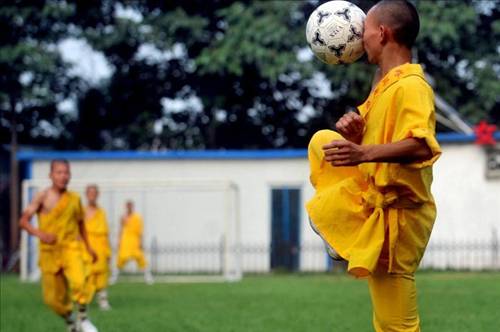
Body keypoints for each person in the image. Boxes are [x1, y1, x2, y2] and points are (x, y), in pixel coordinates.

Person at [306, 1, 442, 331]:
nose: (359, 37)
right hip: (377, 201)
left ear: (382, 33)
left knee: (396, 325)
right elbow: (376, 144)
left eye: (363, 30)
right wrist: (358, 136)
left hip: (400, 217)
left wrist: (363, 154)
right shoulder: (384, 86)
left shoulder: (411, 86)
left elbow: (420, 145)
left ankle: (344, 233)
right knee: (324, 142)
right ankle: (343, 232)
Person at [19, 160, 99, 332]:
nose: (63, 176)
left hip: (70, 247)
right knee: (53, 300)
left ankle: (83, 317)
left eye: (66, 173)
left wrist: (89, 247)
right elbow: (23, 221)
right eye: (59, 172)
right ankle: (70, 319)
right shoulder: (42, 196)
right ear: (51, 175)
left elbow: (81, 224)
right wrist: (40, 234)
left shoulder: (74, 199)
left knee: (79, 281)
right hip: (49, 251)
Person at [83, 184, 112, 310]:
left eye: (94, 193)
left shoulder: (101, 212)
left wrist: (108, 252)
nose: (92, 196)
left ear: (97, 195)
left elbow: (105, 233)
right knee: (86, 274)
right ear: (86, 194)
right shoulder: (81, 212)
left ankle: (102, 300)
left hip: (100, 246)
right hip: (86, 245)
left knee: (101, 273)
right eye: (90, 193)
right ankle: (84, 300)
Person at [110, 200, 153, 284]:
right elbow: (121, 229)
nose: (129, 207)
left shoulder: (137, 217)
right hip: (125, 241)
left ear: (133, 207)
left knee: (141, 258)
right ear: (126, 207)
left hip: (134, 241)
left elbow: (140, 231)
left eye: (130, 206)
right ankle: (114, 277)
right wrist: (119, 241)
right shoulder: (123, 217)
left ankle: (148, 277)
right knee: (121, 259)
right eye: (127, 206)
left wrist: (140, 241)